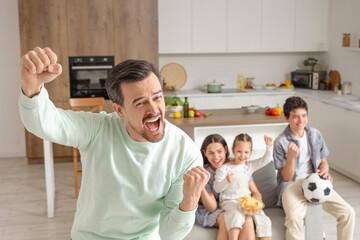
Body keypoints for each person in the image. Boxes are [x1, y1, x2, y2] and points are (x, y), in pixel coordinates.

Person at [19, 47, 210, 240]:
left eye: (157, 97)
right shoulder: (98, 129)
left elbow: (169, 234)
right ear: (120, 111)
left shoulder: (185, 153)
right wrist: (32, 87)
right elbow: (46, 124)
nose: (154, 110)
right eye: (140, 103)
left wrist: (190, 200)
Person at [273, 96, 355, 240]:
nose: (301, 120)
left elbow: (324, 162)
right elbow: (286, 177)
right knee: (294, 219)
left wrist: (324, 171)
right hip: (291, 185)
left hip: (316, 182)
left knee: (348, 213)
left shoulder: (315, 135)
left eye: (304, 116)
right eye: (295, 117)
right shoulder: (280, 142)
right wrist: (291, 157)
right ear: (286, 118)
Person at [197, 134, 262, 240]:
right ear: (205, 153)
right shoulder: (205, 172)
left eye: (219, 151)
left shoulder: (237, 163)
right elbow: (212, 208)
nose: (216, 157)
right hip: (213, 210)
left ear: (226, 149)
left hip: (235, 205)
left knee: (248, 218)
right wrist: (200, 185)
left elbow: (255, 192)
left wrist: (254, 203)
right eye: (211, 153)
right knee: (226, 217)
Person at [214, 133, 273, 240]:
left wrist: (269, 147)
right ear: (233, 150)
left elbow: (266, 159)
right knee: (236, 217)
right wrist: (226, 181)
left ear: (250, 152)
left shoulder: (248, 166)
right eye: (239, 151)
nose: (242, 155)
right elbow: (217, 188)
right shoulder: (224, 169)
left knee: (264, 220)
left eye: (246, 152)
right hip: (230, 201)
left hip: (247, 202)